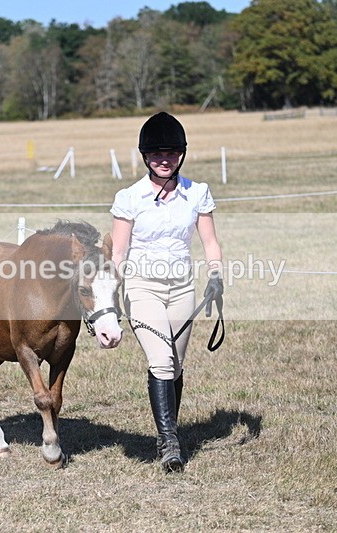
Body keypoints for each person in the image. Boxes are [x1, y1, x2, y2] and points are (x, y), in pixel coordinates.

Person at [109, 111, 223, 473]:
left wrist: (216, 276)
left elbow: (210, 242)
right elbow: (119, 252)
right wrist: (112, 292)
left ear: (181, 155)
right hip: (142, 288)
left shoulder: (197, 193)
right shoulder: (130, 197)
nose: (164, 159)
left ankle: (168, 431)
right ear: (145, 157)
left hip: (183, 289)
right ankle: (169, 442)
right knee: (160, 362)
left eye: (171, 153)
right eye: (156, 153)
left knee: (174, 368)